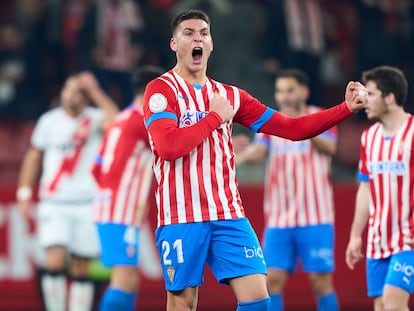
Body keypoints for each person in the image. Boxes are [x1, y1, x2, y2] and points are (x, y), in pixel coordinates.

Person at [142, 9, 366, 311]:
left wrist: (344, 108)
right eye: (188, 33)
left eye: (203, 33)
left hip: (228, 213)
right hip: (182, 215)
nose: (197, 38)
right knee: (183, 303)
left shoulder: (231, 96)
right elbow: (168, 147)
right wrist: (214, 118)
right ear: (174, 44)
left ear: (211, 44)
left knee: (258, 299)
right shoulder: (161, 90)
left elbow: (292, 128)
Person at [235, 68, 339, 311]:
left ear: (305, 91)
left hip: (316, 216)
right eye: (280, 92)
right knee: (271, 281)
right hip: (279, 219)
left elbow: (330, 148)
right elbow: (258, 152)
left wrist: (303, 127)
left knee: (320, 282)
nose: (285, 97)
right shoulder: (274, 123)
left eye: (290, 91)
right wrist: (237, 156)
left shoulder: (321, 117)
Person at [16, 71, 118, 311]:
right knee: (54, 260)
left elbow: (117, 122)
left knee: (81, 265)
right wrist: (23, 192)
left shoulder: (95, 119)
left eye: (78, 91)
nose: (72, 95)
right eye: (68, 89)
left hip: (87, 202)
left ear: (86, 97)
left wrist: (95, 91)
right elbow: (33, 157)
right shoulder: (49, 121)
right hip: (55, 202)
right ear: (62, 92)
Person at [91, 65, 164, 311]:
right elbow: (174, 148)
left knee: (130, 281)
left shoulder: (120, 120)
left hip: (114, 208)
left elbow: (96, 166)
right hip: (119, 212)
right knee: (123, 281)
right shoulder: (144, 122)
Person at [345, 65, 414, 311]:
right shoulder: (369, 137)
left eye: (371, 94)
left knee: (394, 304)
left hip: (408, 240)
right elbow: (365, 188)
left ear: (390, 97)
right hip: (378, 238)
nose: (364, 101)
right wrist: (355, 236)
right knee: (381, 306)